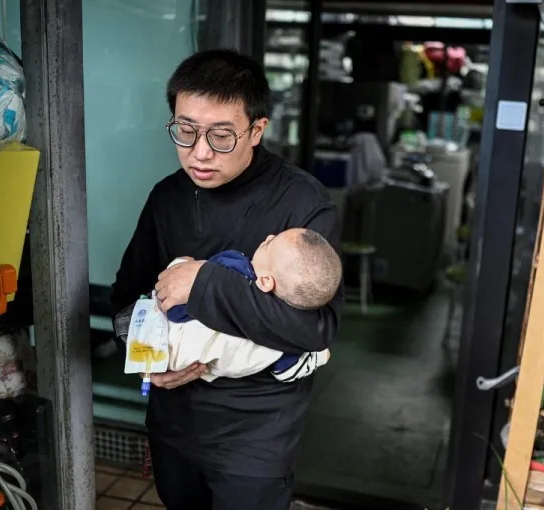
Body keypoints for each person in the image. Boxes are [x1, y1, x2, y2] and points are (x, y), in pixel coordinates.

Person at [110, 49, 343, 509]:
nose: (199, 152)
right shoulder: (167, 197)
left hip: (256, 437)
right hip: (175, 425)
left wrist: (203, 284)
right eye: (185, 131)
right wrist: (146, 361)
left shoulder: (301, 203)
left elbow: (317, 329)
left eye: (220, 136)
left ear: (257, 129)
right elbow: (125, 298)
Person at [115, 228, 341, 383]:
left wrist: (184, 265)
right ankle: (314, 358)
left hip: (165, 347)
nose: (269, 236)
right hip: (211, 368)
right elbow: (285, 372)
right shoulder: (282, 338)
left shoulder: (233, 267)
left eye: (270, 243)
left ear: (265, 282)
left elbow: (174, 311)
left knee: (172, 281)